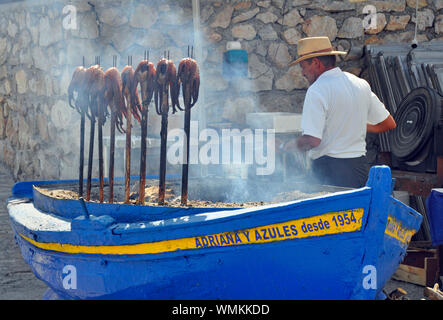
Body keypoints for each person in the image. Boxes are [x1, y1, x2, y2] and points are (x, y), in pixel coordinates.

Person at [284, 36, 397, 188]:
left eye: (303, 66)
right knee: (357, 211)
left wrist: (286, 146)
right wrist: (355, 124)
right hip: (359, 169)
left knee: (328, 212)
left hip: (329, 172)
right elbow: (388, 123)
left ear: (316, 63)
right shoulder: (360, 84)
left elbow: (312, 140)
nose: (303, 73)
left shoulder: (317, 90)